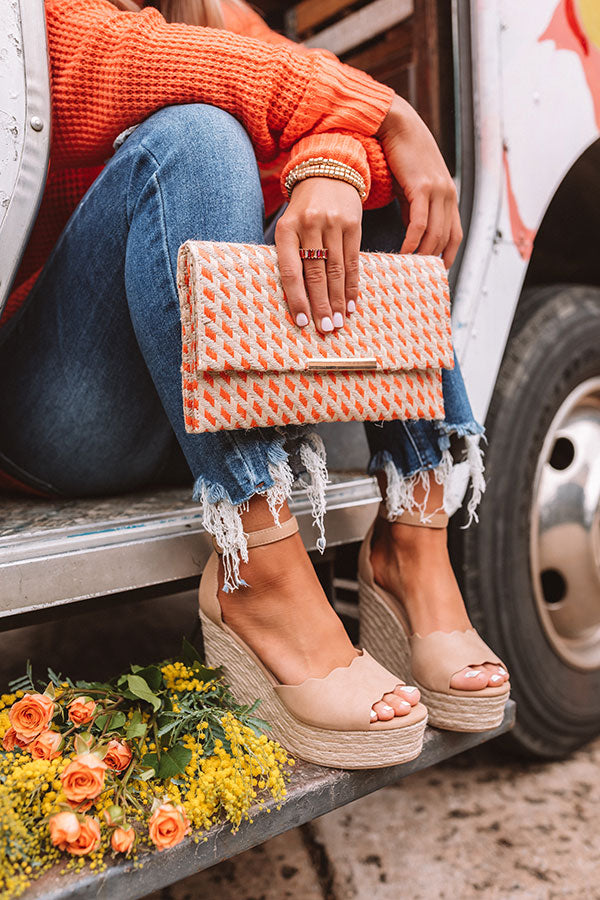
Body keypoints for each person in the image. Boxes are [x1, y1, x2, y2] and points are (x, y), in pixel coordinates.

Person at [0, 0, 509, 767]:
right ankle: (261, 569)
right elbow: (140, 61)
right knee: (199, 138)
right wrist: (388, 112)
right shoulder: (41, 17)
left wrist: (332, 160)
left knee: (366, 194)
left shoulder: (217, 12)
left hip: (203, 403)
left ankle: (414, 544)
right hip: (65, 414)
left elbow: (320, 99)